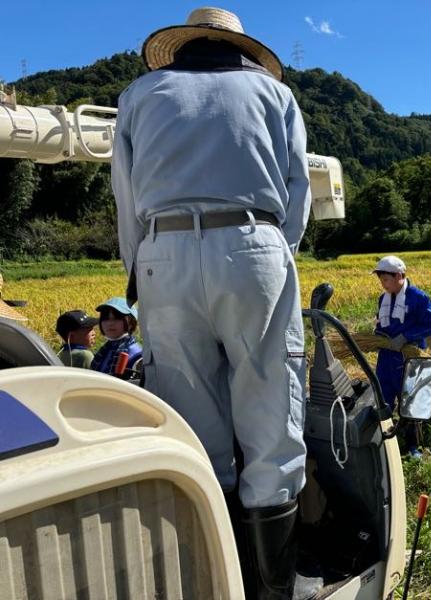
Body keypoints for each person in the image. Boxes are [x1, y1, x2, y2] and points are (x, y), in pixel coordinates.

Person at [111, 8, 314, 597]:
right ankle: (273, 586)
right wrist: (276, 251)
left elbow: (126, 194)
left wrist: (140, 267)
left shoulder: (140, 95)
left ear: (182, 46)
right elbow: (297, 186)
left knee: (190, 410)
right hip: (252, 240)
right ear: (241, 48)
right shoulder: (274, 94)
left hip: (163, 249)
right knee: (270, 402)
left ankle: (216, 575)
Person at [372, 256, 431, 459]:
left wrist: (406, 337)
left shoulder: (418, 298)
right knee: (383, 399)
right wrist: (377, 337)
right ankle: (385, 442)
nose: (383, 284)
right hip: (387, 359)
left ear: (400, 276)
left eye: (386, 279)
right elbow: (381, 324)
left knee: (411, 402)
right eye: (381, 280)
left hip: (409, 358)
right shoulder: (383, 299)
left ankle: (413, 446)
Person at [91, 298, 143, 375]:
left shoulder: (136, 354)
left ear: (131, 322)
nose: (110, 323)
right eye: (106, 319)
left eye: (117, 318)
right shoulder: (105, 350)